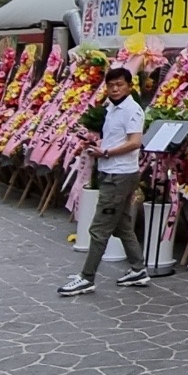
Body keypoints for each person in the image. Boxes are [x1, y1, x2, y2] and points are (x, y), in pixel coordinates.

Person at [58, 68, 149, 296]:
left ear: (129, 86)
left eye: (120, 84)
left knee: (99, 228)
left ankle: (87, 278)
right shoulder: (111, 109)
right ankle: (139, 269)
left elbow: (135, 142)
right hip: (111, 172)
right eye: (111, 85)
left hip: (120, 175)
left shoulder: (132, 110)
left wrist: (106, 152)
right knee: (122, 225)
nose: (115, 89)